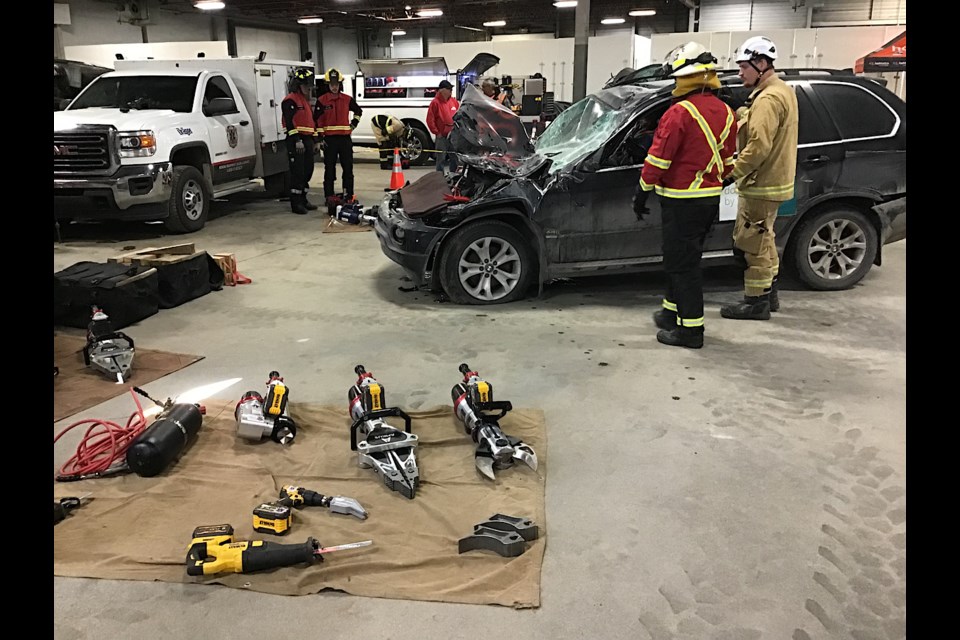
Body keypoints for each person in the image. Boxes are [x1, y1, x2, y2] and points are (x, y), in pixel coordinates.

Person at [633, 42, 737, 349]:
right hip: (708, 200)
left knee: (683, 266)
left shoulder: (679, 113)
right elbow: (728, 160)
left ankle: (691, 331)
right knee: (685, 259)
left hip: (681, 201)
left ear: (685, 78)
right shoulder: (728, 113)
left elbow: (658, 159)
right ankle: (670, 312)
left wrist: (641, 192)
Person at [720, 36, 799, 320]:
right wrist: (740, 110)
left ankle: (756, 303)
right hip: (774, 181)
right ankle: (770, 294)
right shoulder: (781, 91)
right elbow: (761, 124)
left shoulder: (768, 98)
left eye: (744, 67)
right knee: (764, 238)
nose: (740, 72)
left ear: (761, 63)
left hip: (760, 183)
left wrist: (732, 173)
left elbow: (758, 145)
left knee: (751, 242)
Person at [315, 68, 363, 204]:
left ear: (340, 84)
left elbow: (359, 111)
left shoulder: (347, 99)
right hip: (329, 140)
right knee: (329, 169)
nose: (334, 87)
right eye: (332, 84)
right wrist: (320, 138)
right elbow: (317, 120)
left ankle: (349, 195)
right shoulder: (322, 101)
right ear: (328, 85)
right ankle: (329, 196)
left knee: (348, 168)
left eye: (336, 84)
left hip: (345, 139)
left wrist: (353, 124)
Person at [280, 68, 319, 214]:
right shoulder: (290, 100)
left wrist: (315, 140)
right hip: (296, 140)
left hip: (307, 140)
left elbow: (310, 122)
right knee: (297, 173)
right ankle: (296, 204)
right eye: (306, 85)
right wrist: (297, 140)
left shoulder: (304, 100)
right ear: (298, 85)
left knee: (307, 171)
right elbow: (289, 123)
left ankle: (303, 198)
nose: (308, 88)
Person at [426, 79, 460, 176]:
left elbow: (459, 115)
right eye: (449, 89)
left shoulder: (454, 102)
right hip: (442, 136)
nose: (450, 91)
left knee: (454, 157)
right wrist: (437, 132)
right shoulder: (435, 103)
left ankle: (454, 175)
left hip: (453, 135)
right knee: (441, 158)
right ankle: (439, 177)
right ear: (442, 90)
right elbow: (430, 119)